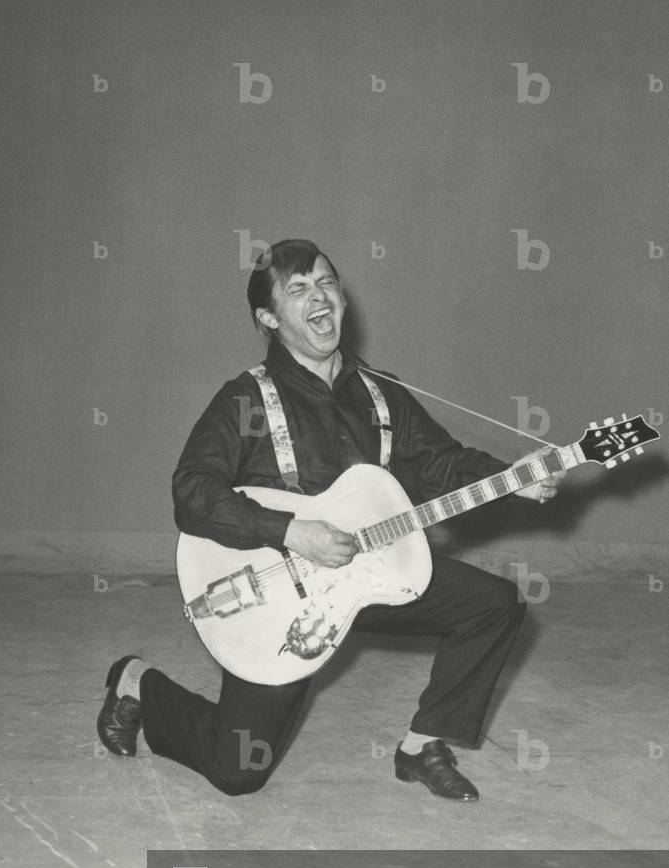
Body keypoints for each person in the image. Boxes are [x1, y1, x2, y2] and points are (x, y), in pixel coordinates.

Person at [97, 239, 563, 800]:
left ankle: (422, 744)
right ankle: (139, 685)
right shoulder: (246, 399)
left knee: (493, 604)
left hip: (373, 576)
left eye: (326, 283)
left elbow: (440, 464)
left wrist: (518, 478)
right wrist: (291, 531)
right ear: (268, 318)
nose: (319, 296)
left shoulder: (380, 392)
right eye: (298, 290)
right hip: (283, 596)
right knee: (238, 773)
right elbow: (192, 491)